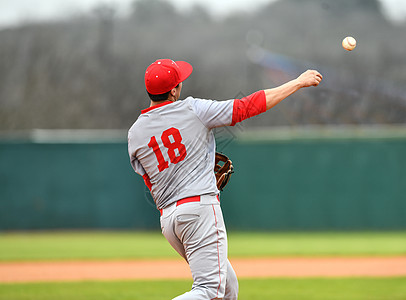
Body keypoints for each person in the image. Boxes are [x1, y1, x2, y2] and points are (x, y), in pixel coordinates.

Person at [128, 59, 322, 300]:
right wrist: (297, 82)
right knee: (209, 290)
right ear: (174, 90)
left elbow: (150, 181)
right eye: (179, 83)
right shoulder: (193, 109)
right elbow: (246, 107)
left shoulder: (135, 133)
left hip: (169, 219)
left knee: (228, 287)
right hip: (198, 210)